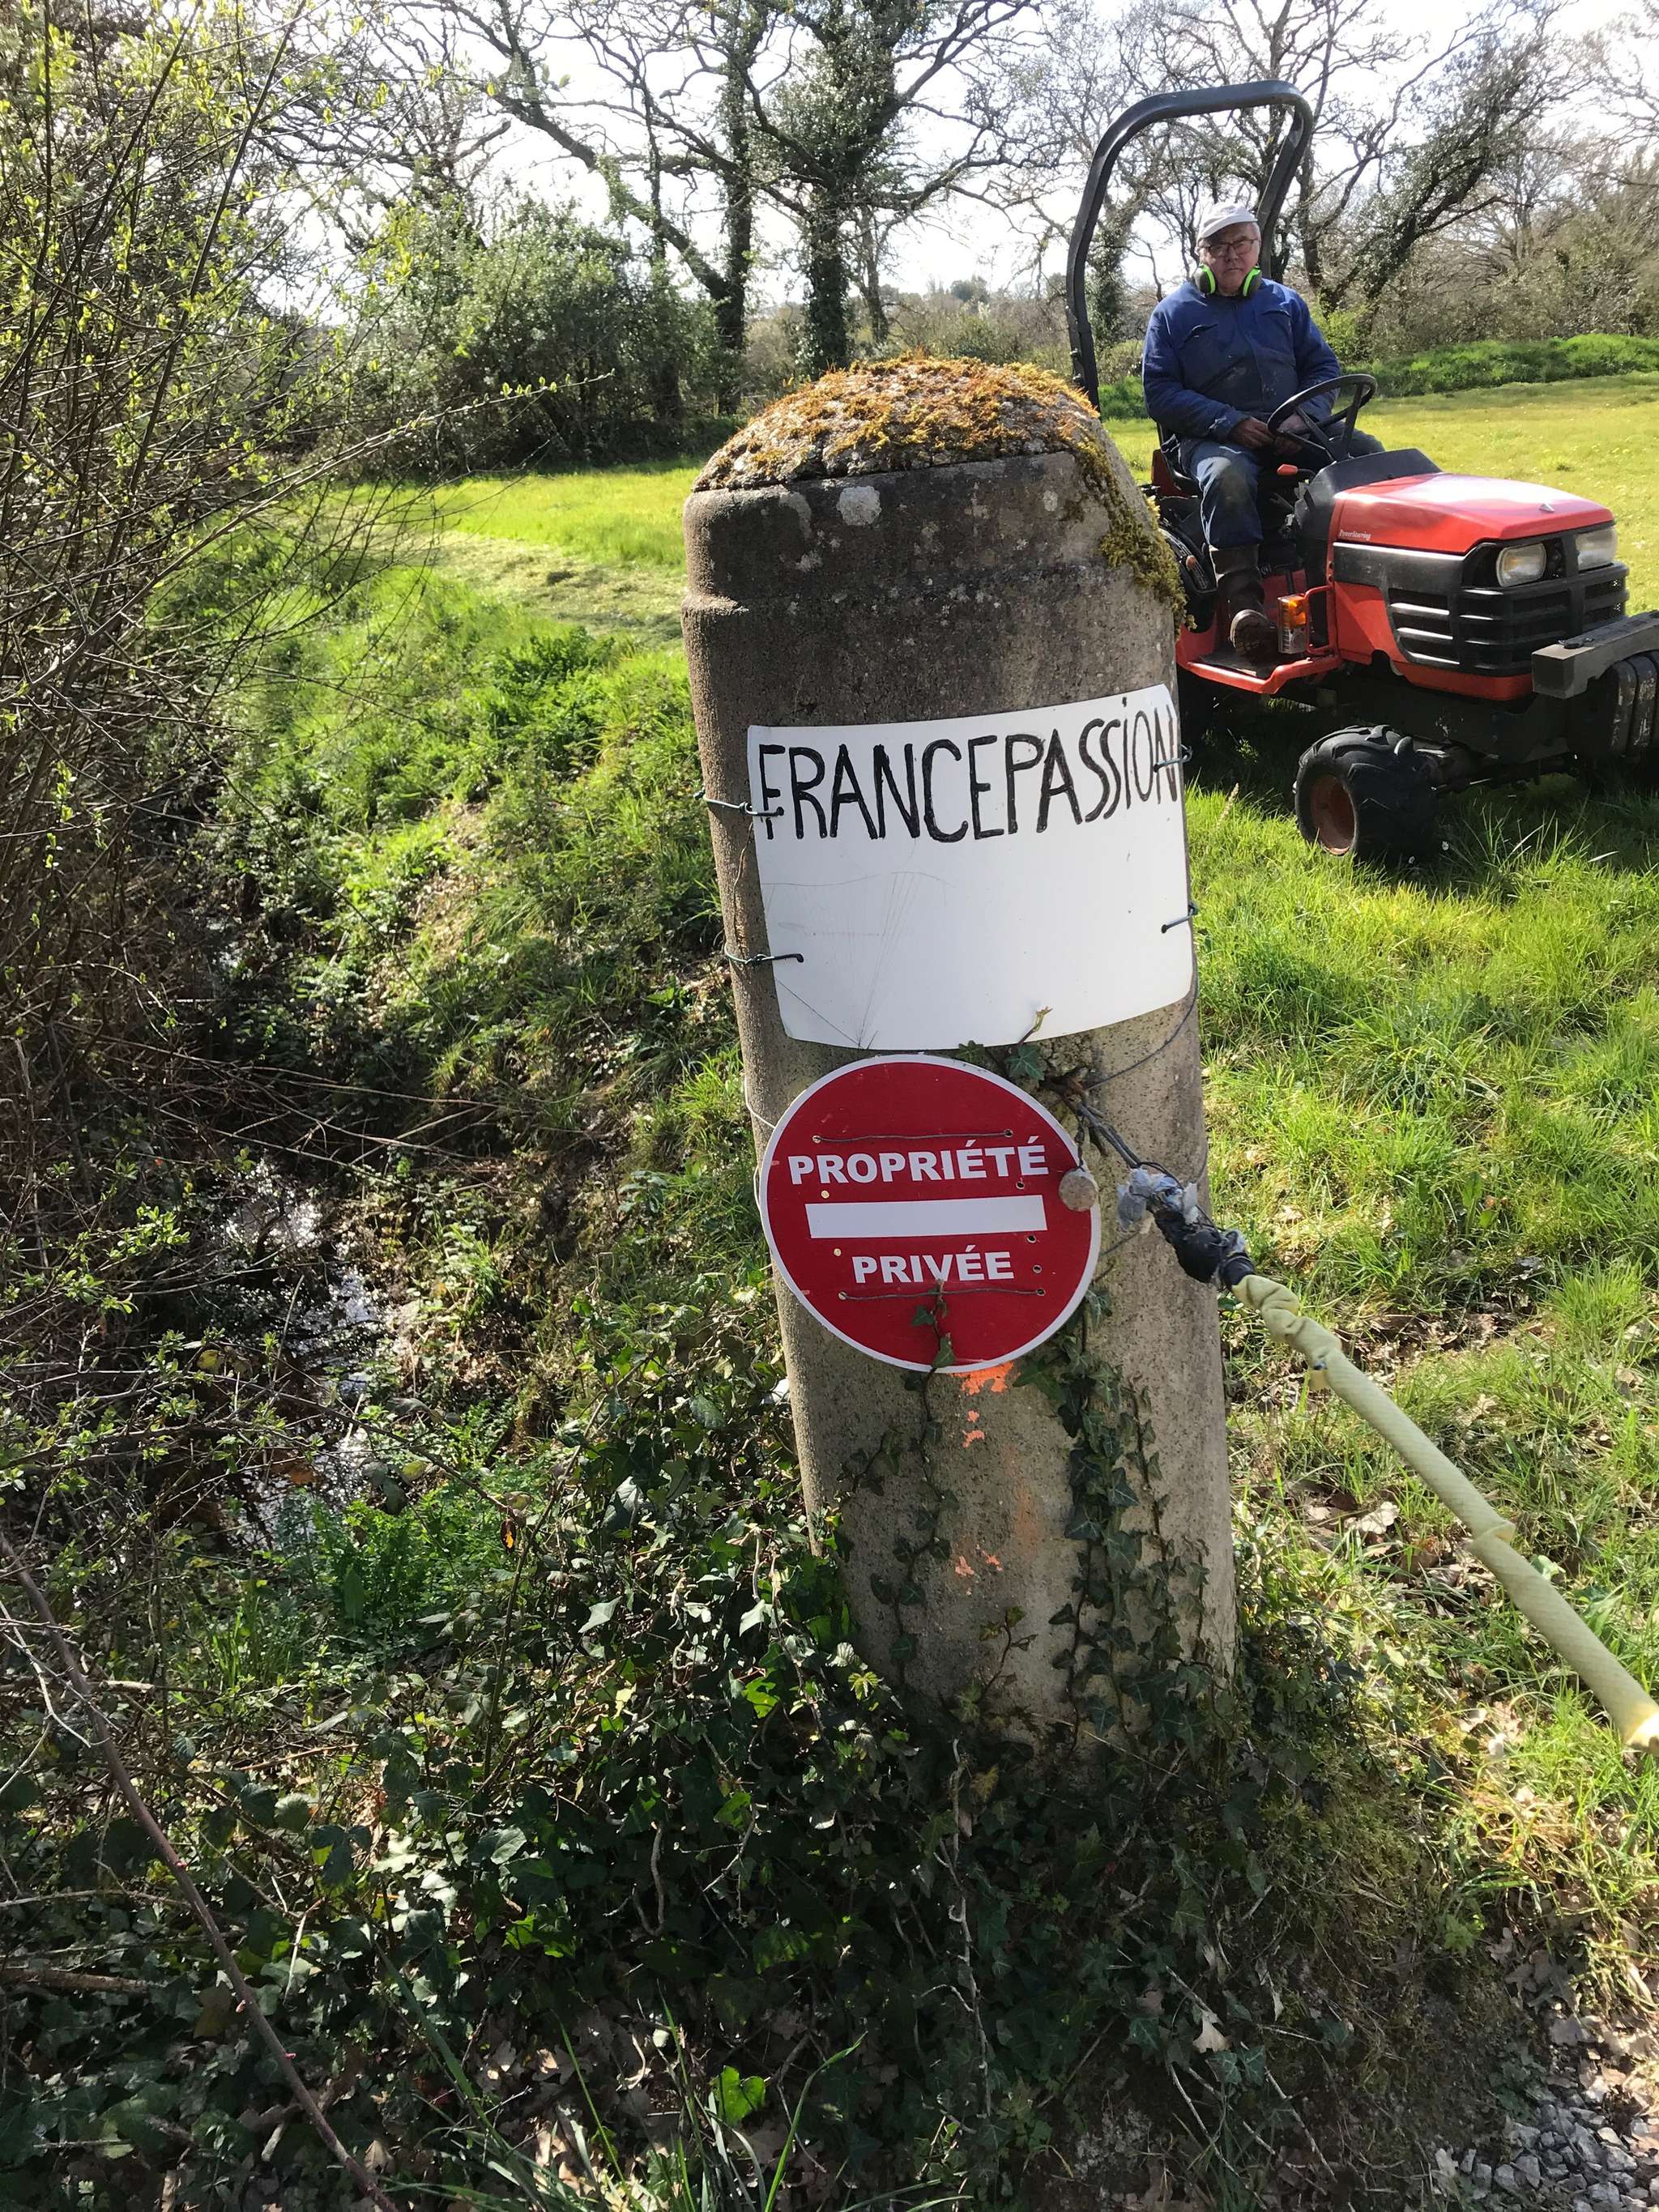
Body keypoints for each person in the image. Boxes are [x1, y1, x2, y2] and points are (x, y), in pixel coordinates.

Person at [1142, 200, 1380, 661]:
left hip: (1294, 427)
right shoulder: (1172, 314)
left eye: (1242, 243)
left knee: (1367, 454)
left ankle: (1359, 583)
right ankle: (1245, 608)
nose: (1232, 254)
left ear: (1258, 247)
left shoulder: (1285, 303)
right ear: (1201, 252)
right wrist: (1229, 422)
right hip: (1211, 437)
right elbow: (1161, 393)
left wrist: (1303, 417)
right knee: (1227, 477)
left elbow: (1322, 367)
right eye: (1219, 246)